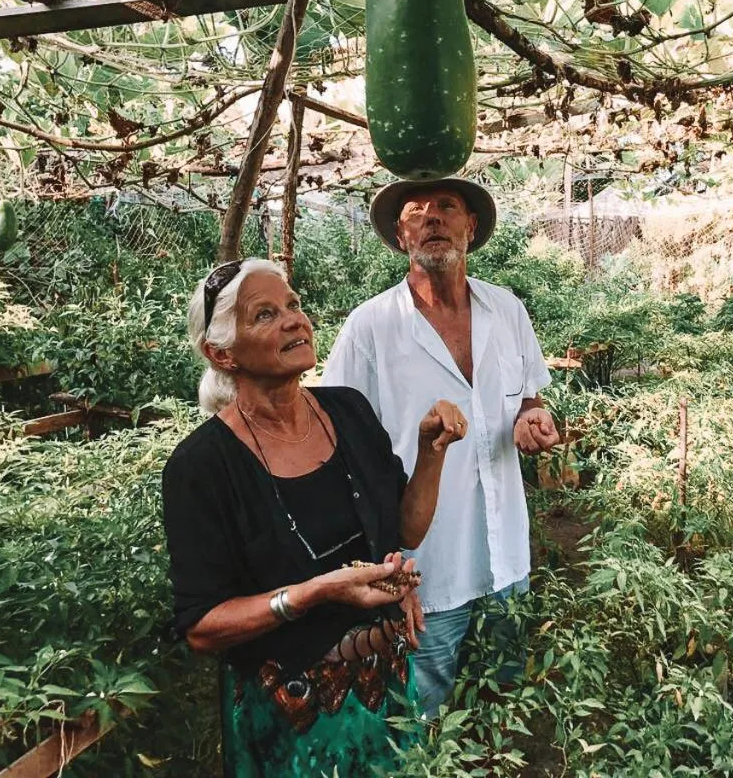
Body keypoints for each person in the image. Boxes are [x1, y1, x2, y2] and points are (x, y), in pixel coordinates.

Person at [162, 258, 467, 777]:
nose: (293, 320)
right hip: (288, 712)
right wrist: (316, 592)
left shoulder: (348, 411)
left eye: (294, 305)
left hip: (383, 685)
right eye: (265, 314)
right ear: (221, 353)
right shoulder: (202, 466)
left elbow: (406, 530)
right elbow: (202, 628)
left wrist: (431, 451)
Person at [323, 178, 561, 718]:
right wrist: (375, 562)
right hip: (425, 568)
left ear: (470, 226)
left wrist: (533, 417)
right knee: (422, 716)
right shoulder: (370, 328)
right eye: (416, 211)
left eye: (446, 207)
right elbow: (340, 450)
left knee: (506, 701)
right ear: (400, 235)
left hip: (507, 558)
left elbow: (528, 396)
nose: (432, 217)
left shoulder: (508, 311)